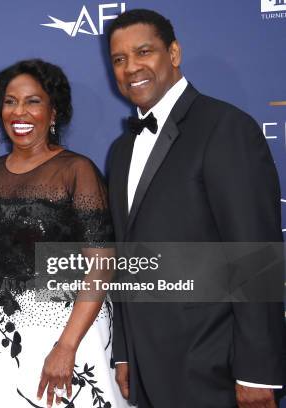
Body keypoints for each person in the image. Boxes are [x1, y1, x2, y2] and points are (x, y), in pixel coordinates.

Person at [106, 9, 286, 407]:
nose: (131, 67)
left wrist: (257, 372)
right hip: (146, 365)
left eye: (143, 52)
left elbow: (256, 254)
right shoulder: (121, 151)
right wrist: (123, 350)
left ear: (173, 53)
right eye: (119, 59)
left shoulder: (225, 128)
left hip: (213, 365)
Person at [0, 59, 128, 408]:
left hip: (71, 330)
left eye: (33, 101)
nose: (19, 112)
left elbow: (101, 265)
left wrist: (67, 346)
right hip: (5, 329)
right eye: (10, 101)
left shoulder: (76, 170)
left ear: (53, 110)